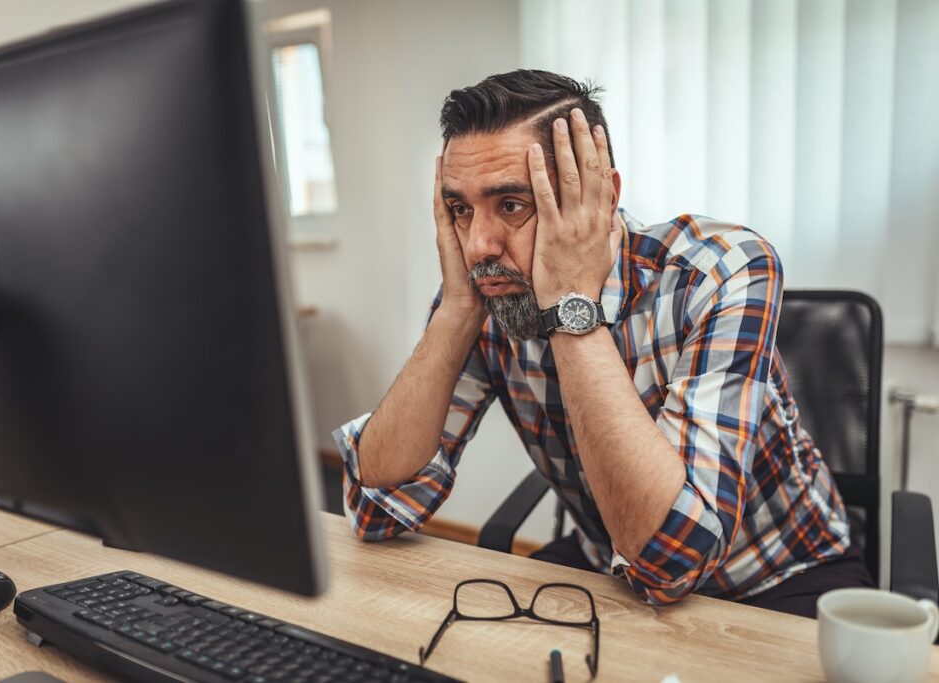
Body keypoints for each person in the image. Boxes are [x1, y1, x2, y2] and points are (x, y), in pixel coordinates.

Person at [333, 69, 872, 617]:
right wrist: (455, 311)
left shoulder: (717, 271)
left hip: (780, 576)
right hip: (613, 569)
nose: (478, 245)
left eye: (512, 205)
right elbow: (375, 511)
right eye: (460, 209)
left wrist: (572, 306)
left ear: (602, 197)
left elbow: (673, 562)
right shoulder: (487, 292)